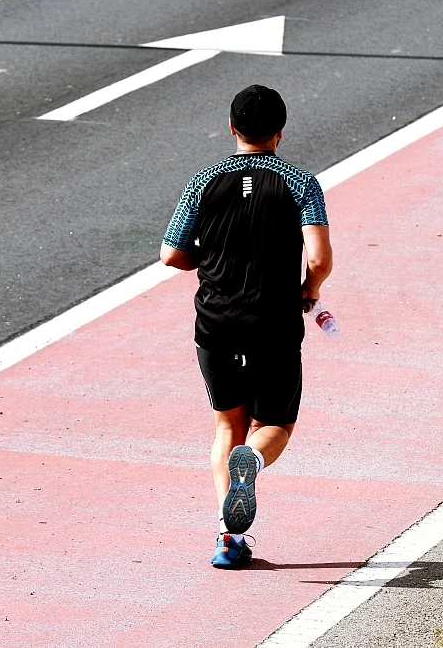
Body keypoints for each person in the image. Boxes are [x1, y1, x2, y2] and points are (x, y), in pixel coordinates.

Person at [160, 84, 332, 569]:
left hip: (215, 326)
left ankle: (228, 541)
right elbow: (318, 258)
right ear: (280, 132)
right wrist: (308, 290)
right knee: (274, 423)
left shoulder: (203, 181)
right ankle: (252, 464)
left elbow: (171, 254)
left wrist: (206, 256)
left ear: (232, 128)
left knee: (226, 425)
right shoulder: (301, 183)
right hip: (273, 325)